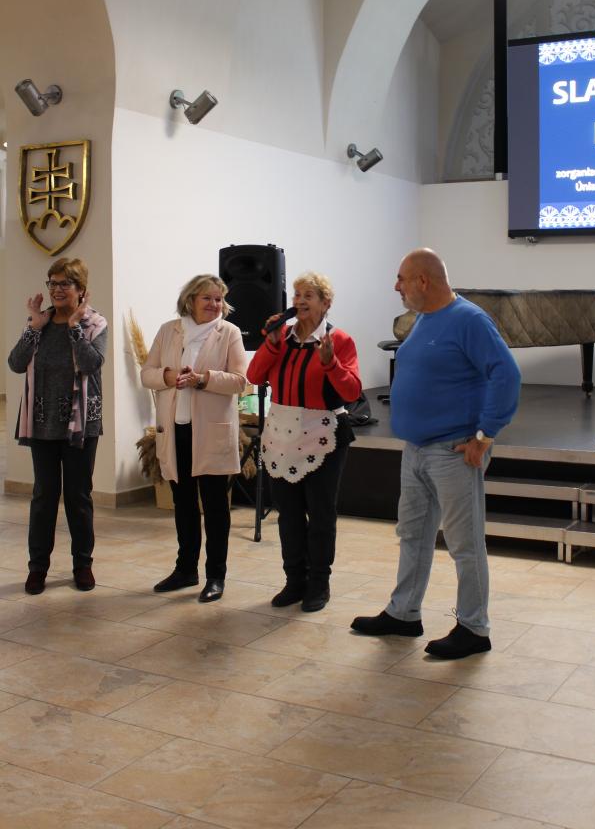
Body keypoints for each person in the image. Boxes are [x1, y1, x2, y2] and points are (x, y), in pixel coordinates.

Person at [351, 249, 521, 659]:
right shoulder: (424, 319)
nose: (396, 286)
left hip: (453, 452)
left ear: (423, 281)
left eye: (401, 278)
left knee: (464, 544)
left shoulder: (470, 320)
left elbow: (507, 374)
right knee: (412, 535)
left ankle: (474, 628)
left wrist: (484, 436)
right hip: (416, 451)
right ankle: (404, 613)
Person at [247, 272, 361, 613]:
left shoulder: (339, 340)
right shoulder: (281, 337)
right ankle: (294, 580)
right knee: (289, 514)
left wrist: (331, 364)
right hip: (282, 433)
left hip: (324, 434)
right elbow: (254, 376)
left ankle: (318, 583)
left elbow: (351, 391)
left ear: (326, 303)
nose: (299, 301)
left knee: (321, 513)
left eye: (308, 295)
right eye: (296, 294)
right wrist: (271, 342)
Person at [141, 274, 247, 602]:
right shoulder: (169, 330)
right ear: (190, 300)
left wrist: (202, 379)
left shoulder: (229, 332)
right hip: (176, 431)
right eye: (207, 298)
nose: (214, 304)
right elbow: (147, 374)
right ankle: (185, 570)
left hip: (211, 433)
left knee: (215, 506)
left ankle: (216, 576)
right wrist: (169, 376)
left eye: (219, 298)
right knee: (183, 503)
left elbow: (241, 381)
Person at [8, 257, 108, 595]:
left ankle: (83, 565)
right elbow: (15, 363)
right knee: (43, 497)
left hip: (81, 425)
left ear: (81, 289)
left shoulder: (95, 324)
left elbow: (92, 364)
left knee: (78, 497)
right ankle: (38, 568)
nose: (57, 289)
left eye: (65, 283)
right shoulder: (40, 323)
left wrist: (75, 326)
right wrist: (33, 328)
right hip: (42, 423)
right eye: (53, 283)